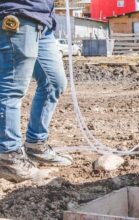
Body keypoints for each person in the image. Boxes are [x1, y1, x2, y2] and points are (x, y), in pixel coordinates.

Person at [0, 0, 73, 183]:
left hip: (42, 20)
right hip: (19, 13)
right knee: (12, 88)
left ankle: (35, 144)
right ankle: (8, 156)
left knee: (54, 82)